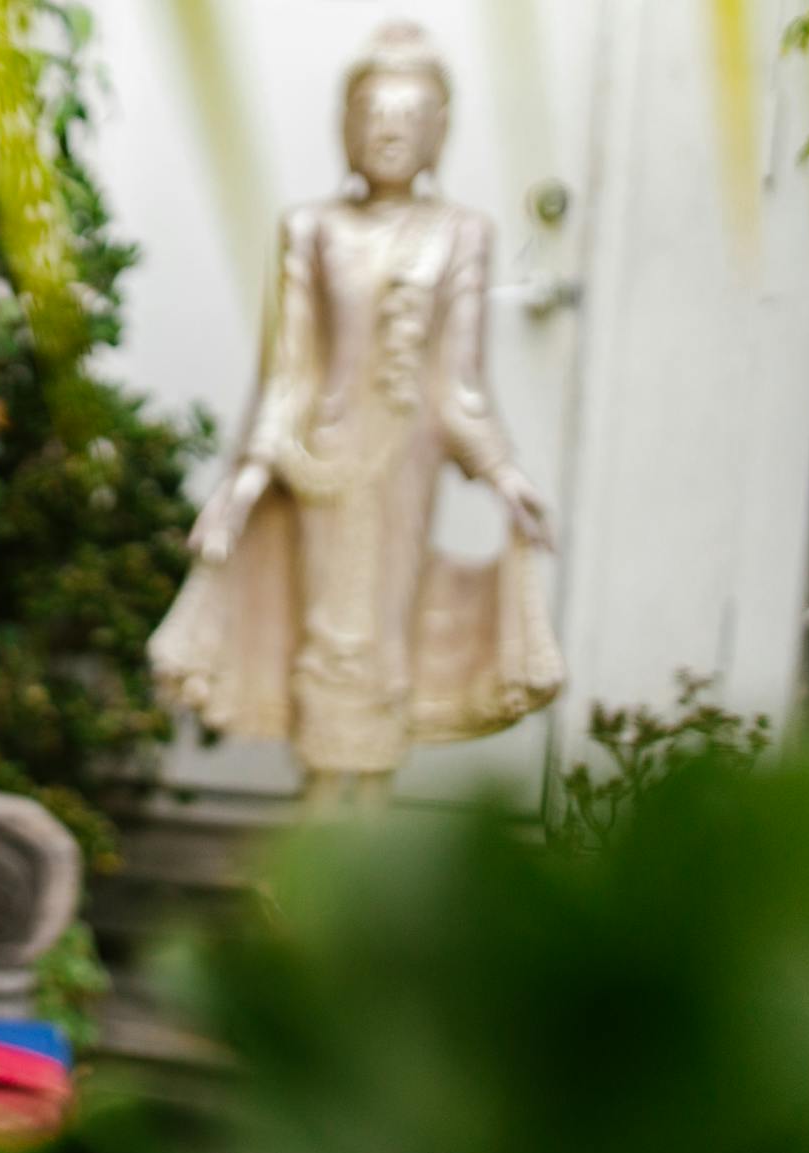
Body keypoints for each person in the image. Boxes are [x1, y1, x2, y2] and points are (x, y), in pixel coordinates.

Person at [148, 21, 563, 810]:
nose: (390, 133)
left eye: (409, 119)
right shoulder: (311, 229)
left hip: (405, 462)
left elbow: (458, 384)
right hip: (321, 459)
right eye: (374, 116)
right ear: (348, 127)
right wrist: (242, 482)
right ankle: (316, 807)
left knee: (382, 632)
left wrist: (504, 472)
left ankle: (369, 809)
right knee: (327, 632)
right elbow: (289, 372)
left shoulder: (461, 235)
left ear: (438, 131)